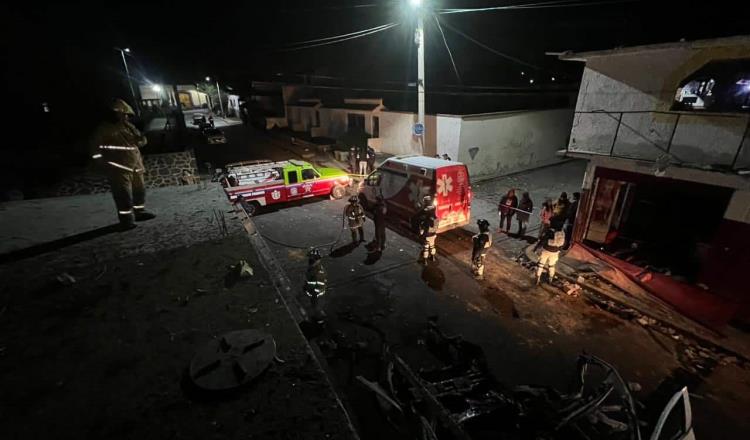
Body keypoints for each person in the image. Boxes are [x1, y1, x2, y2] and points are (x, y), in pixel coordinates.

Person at [90, 98, 156, 230]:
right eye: (123, 114)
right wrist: (101, 162)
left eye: (127, 114)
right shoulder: (105, 129)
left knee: (140, 190)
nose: (126, 116)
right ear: (116, 113)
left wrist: (141, 139)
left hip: (136, 165)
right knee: (123, 194)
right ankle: (126, 219)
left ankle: (139, 211)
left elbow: (141, 143)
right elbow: (94, 148)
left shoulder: (129, 127)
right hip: (118, 167)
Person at [304, 248, 327, 319]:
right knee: (314, 303)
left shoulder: (315, 270)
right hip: (315, 291)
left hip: (315, 292)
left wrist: (307, 288)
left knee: (315, 303)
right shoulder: (315, 268)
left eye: (312, 260)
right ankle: (317, 313)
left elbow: (313, 283)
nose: (310, 261)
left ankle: (318, 315)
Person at [417, 196, 438, 264]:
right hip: (434, 233)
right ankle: (432, 257)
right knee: (432, 245)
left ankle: (425, 260)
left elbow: (419, 215)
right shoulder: (434, 208)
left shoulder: (425, 211)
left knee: (426, 247)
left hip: (427, 233)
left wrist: (421, 232)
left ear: (425, 202)